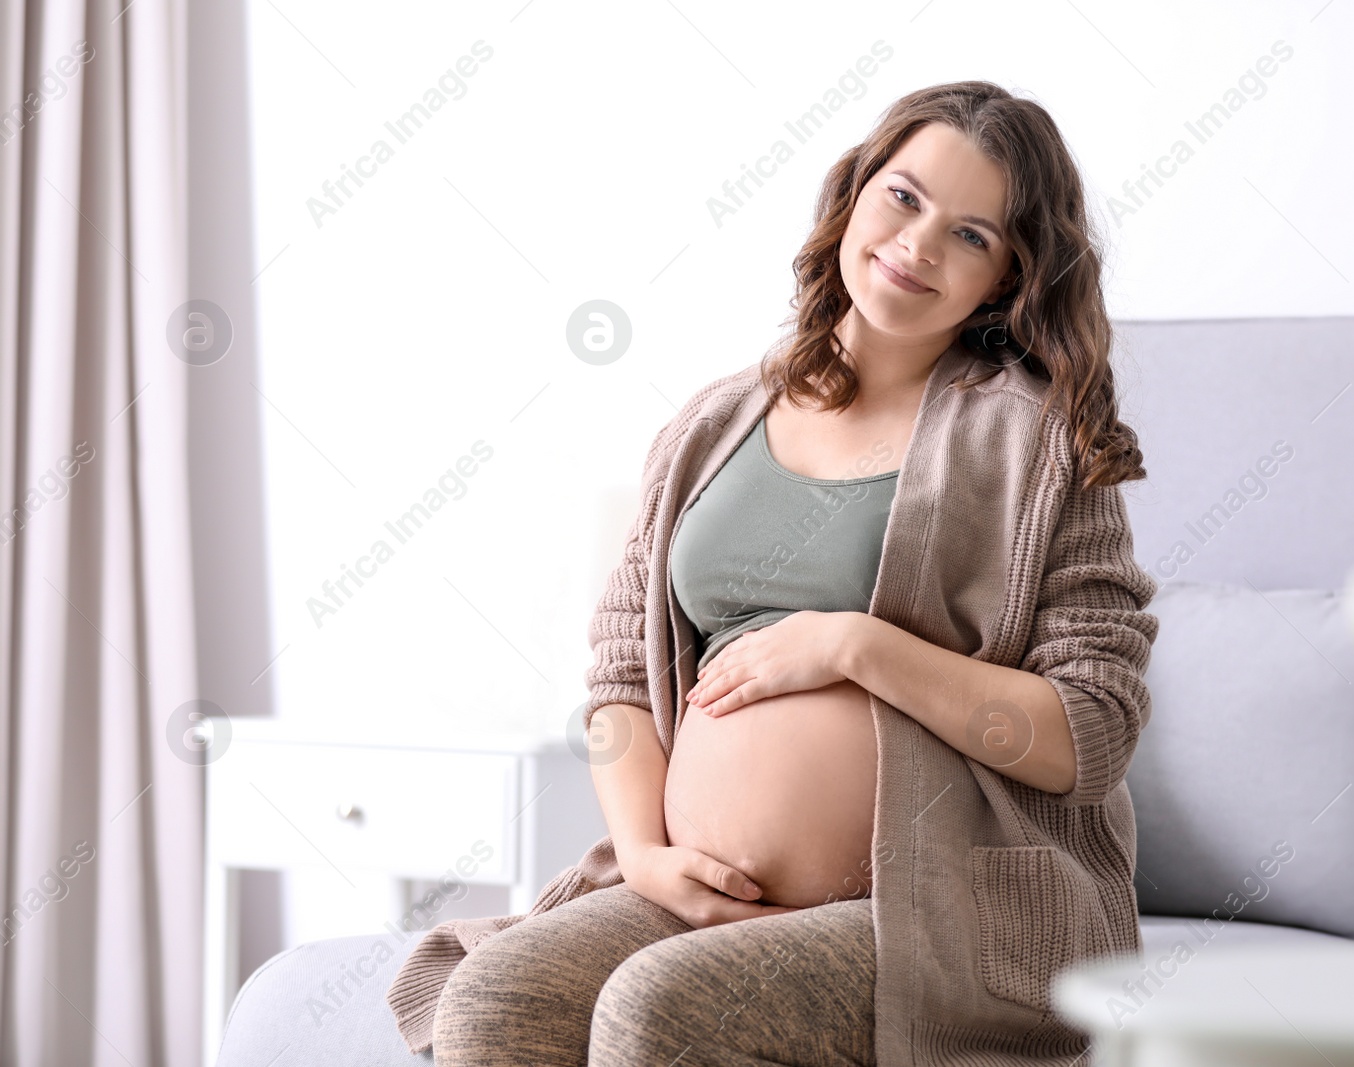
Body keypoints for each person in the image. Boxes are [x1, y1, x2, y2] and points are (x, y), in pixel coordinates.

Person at [389, 78, 1161, 1067]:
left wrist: (857, 644)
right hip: (695, 885)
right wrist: (643, 855)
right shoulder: (712, 423)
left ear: (1008, 276)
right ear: (853, 194)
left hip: (932, 906)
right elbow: (623, 673)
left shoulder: (1043, 446)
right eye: (904, 196)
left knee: (660, 1008)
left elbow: (1087, 733)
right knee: (496, 999)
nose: (919, 244)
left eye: (971, 235)